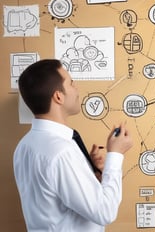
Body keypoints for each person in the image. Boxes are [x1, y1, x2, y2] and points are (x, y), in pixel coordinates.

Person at [13, 59, 133, 232]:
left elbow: (56, 197)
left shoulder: (24, 146)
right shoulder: (62, 152)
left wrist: (91, 173)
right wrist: (116, 154)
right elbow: (105, 212)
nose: (77, 89)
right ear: (58, 96)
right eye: (71, 83)